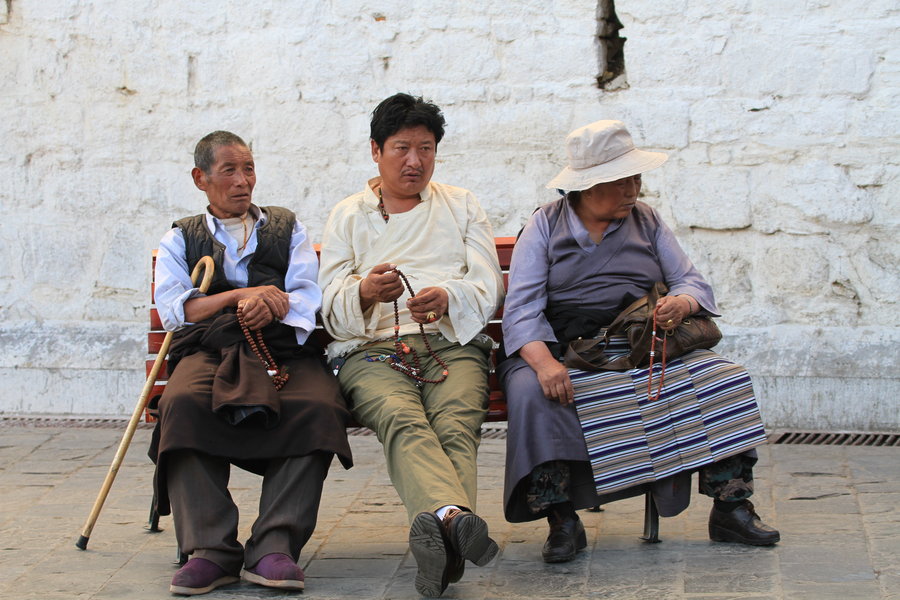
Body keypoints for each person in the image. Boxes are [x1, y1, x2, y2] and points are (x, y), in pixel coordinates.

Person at [500, 120, 780, 564]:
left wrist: (682, 305)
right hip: (565, 349)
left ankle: (731, 506)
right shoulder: (545, 225)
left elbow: (689, 280)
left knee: (723, 378)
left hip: (640, 344)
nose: (635, 187)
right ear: (589, 186)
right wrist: (543, 363)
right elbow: (522, 309)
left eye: (636, 177)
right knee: (536, 394)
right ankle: (562, 520)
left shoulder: (646, 218)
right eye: (623, 179)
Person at [148, 131, 353, 596]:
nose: (243, 181)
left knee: (318, 406)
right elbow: (177, 309)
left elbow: (307, 293)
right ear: (201, 179)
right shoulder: (181, 237)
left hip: (281, 350)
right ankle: (211, 549)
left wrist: (275, 304)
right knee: (182, 404)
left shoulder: (286, 227)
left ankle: (275, 545)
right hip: (210, 350)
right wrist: (242, 296)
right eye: (229, 171)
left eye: (249, 169)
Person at [318, 93, 505, 597]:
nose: (415, 161)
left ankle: (440, 533)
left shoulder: (461, 204)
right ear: (376, 150)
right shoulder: (348, 215)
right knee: (401, 417)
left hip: (450, 346)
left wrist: (449, 296)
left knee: (455, 423)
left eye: (426, 148)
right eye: (402, 148)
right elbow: (329, 296)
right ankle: (454, 518)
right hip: (373, 351)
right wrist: (362, 291)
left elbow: (488, 283)